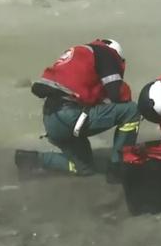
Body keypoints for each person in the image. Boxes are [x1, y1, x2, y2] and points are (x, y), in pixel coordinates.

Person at [15, 38, 140, 183]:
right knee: (132, 111)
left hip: (52, 120)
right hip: (70, 116)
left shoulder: (78, 55)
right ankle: (118, 167)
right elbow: (116, 94)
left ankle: (32, 159)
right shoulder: (107, 54)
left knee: (84, 168)